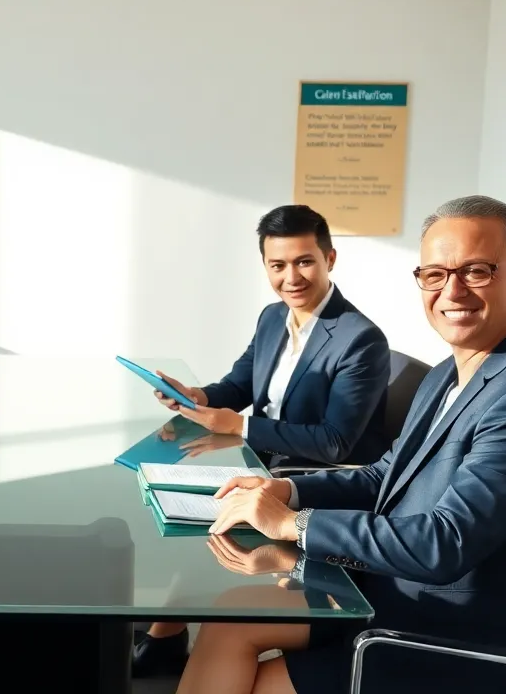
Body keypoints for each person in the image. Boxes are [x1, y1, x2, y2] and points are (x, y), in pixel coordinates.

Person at [173, 195, 506, 694]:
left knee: (260, 682)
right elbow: (382, 476)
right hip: (392, 589)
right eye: (434, 274)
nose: (451, 290)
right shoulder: (447, 372)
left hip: (449, 637)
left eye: (476, 271)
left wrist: (292, 525)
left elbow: (444, 543)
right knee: (227, 616)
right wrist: (288, 492)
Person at [134, 204, 391, 677]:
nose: (291, 277)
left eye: (304, 261)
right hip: (262, 466)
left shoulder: (360, 339)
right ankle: (163, 634)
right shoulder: (273, 317)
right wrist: (196, 396)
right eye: (278, 265)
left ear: (329, 258)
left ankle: (164, 639)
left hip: (311, 479)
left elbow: (336, 443)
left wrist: (241, 427)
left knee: (199, 509)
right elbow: (239, 386)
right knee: (167, 498)